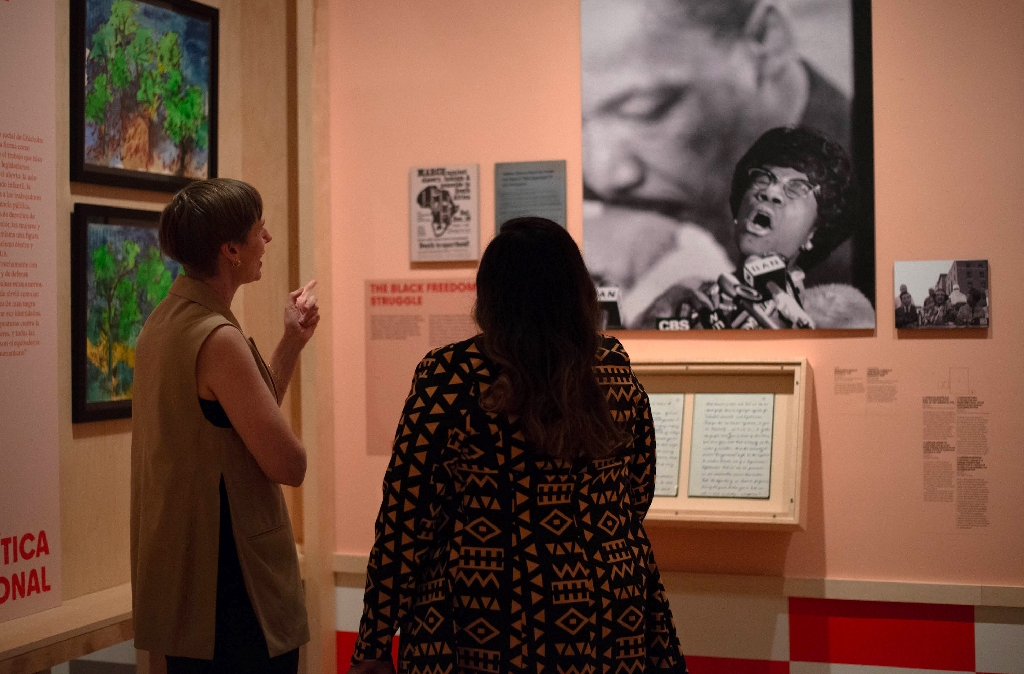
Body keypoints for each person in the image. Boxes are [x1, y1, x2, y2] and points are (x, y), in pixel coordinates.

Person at [349, 217, 687, 674]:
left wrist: (372, 640)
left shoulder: (452, 376)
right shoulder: (611, 371)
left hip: (484, 613)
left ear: (490, 295)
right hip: (607, 612)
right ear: (577, 289)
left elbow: (406, 516)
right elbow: (637, 493)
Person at [581, 0, 861, 327]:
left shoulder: (864, 224)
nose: (603, 175)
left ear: (765, 40)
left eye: (644, 110)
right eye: (574, 123)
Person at [131, 179, 319, 673]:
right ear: (231, 250)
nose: (269, 240)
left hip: (186, 587)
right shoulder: (217, 337)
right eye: (261, 230)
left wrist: (291, 342)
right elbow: (287, 462)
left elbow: (237, 423)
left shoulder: (162, 323)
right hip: (233, 595)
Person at [639, 126, 873, 329]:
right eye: (763, 178)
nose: (770, 192)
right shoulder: (682, 301)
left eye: (797, 188)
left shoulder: (838, 317)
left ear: (814, 232)